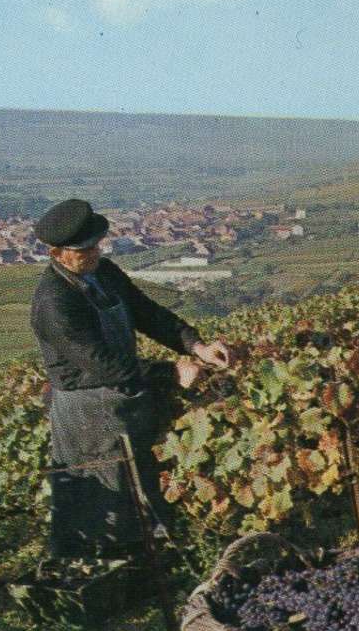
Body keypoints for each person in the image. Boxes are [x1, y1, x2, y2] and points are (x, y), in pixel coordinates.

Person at [29, 198, 233, 560]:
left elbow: (146, 312)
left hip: (124, 396)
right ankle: (101, 569)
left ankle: (148, 558)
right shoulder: (54, 303)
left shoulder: (103, 272)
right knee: (100, 493)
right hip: (86, 410)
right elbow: (102, 364)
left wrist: (194, 344)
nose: (95, 251)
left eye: (96, 243)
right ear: (56, 252)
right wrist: (171, 372)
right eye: (84, 248)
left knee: (139, 478)